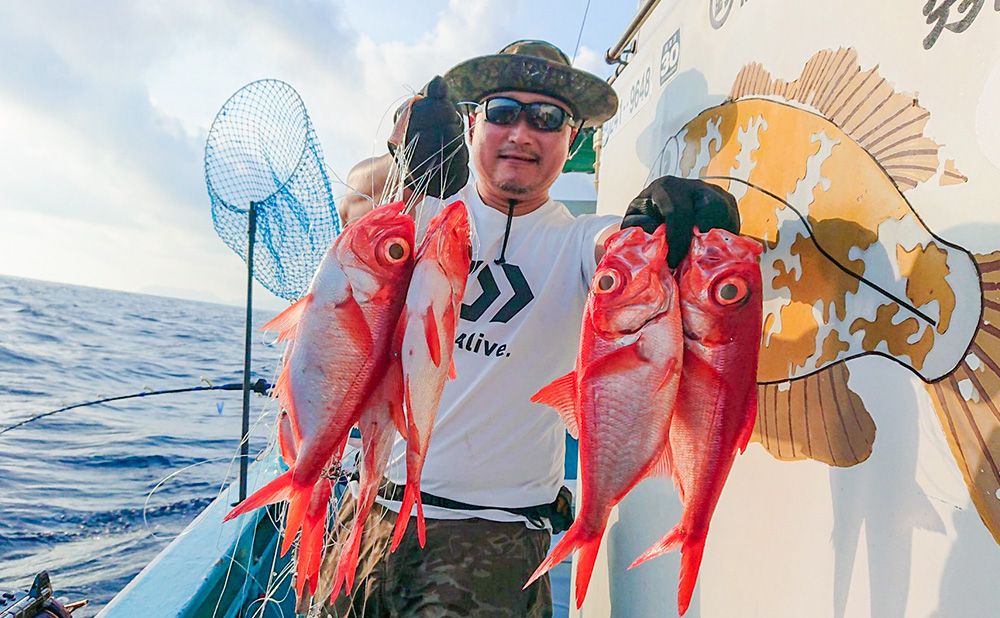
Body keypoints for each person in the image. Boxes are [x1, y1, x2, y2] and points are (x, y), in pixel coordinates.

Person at [316, 40, 740, 617]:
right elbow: (356, 212)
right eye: (502, 112)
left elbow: (631, 250)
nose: (521, 133)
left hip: (491, 544)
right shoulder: (428, 209)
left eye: (546, 119)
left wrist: (689, 216)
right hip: (368, 513)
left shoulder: (581, 242)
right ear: (471, 123)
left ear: (572, 139)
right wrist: (407, 168)